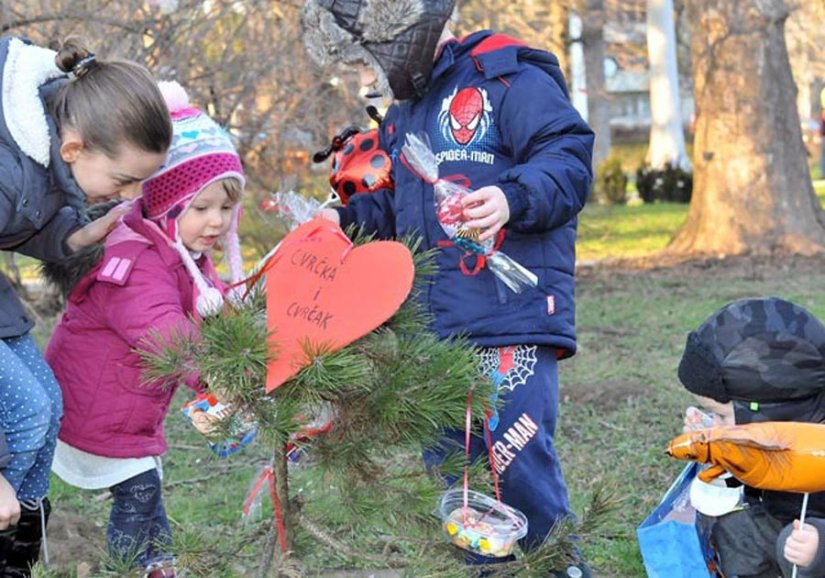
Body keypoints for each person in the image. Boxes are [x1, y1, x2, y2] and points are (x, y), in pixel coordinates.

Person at [301, 1, 594, 574]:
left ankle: (557, 566)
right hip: (434, 328)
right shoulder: (406, 112)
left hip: (508, 318)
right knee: (455, 473)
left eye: (367, 65)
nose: (365, 82)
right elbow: (400, 207)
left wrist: (514, 196)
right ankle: (487, 568)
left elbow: (568, 156)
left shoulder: (509, 78)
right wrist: (344, 221)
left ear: (401, 40)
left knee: (514, 459)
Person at [43, 81, 245, 578]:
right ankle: (132, 565)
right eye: (201, 208)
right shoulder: (134, 260)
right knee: (138, 490)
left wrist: (245, 341)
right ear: (167, 203)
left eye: (225, 207)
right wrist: (223, 378)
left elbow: (208, 307)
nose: (216, 222)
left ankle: (157, 562)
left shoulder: (178, 250)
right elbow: (166, 336)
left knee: (146, 482)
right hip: (92, 407)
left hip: (126, 406)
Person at [0, 35, 171, 575]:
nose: (128, 195)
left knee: (46, 405)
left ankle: (17, 553)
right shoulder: (7, 170)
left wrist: (76, 238)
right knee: (25, 412)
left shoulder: (51, 163)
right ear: (74, 148)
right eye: (124, 180)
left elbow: (31, 223)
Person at [677, 297, 825, 578]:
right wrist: (709, 446)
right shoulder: (778, 426)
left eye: (720, 416)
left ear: (768, 411)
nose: (716, 424)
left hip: (810, 542)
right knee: (736, 524)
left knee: (793, 549)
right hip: (777, 521)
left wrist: (820, 549)